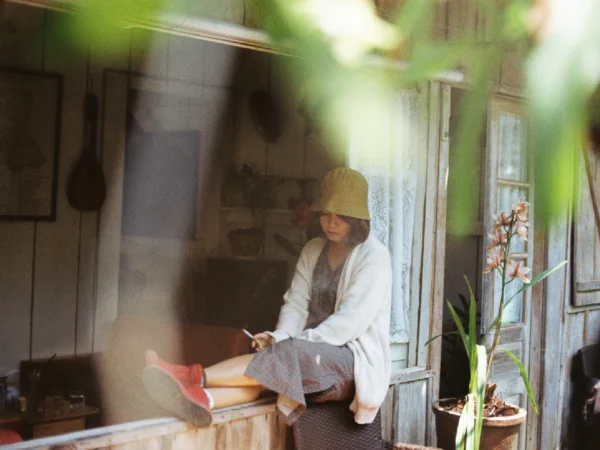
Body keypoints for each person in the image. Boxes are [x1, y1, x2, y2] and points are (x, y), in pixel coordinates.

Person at [142, 167, 392, 427]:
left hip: (349, 360)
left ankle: (189, 375)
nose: (330, 222)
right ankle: (203, 398)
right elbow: (295, 303)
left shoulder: (374, 257)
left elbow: (349, 323)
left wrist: (291, 344)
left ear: (358, 217)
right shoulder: (313, 249)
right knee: (269, 375)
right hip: (304, 352)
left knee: (285, 358)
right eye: (325, 214)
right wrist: (280, 337)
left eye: (340, 216)